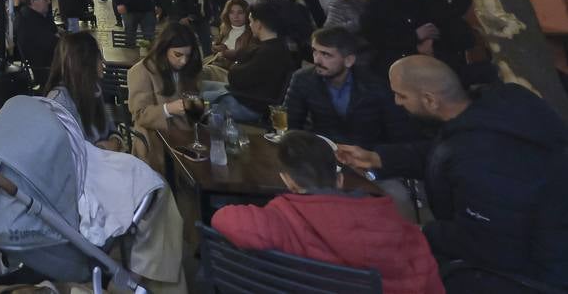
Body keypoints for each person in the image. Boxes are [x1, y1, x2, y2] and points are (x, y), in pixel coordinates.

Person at [336, 57, 568, 290]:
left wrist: (420, 231)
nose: (396, 102)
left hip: (538, 269)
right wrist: (378, 158)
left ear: (429, 100)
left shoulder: (479, 160)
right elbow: (447, 151)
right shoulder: (496, 108)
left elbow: (483, 240)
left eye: (401, 95)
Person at [211, 131, 443, 294]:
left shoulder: (281, 219)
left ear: (288, 181)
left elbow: (224, 218)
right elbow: (428, 278)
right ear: (340, 180)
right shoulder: (397, 225)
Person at [284, 27, 413, 148]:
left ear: (349, 60)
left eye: (326, 55)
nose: (317, 60)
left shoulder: (375, 84)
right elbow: (290, 123)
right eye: (315, 52)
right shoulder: (303, 79)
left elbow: (398, 131)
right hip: (322, 154)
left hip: (365, 156)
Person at [361, 0, 477, 79]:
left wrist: (434, 45)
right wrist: (414, 38)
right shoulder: (383, 0)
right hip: (399, 67)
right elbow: (374, 35)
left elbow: (459, 30)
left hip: (441, 64)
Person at [126, 22, 213, 169]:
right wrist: (168, 109)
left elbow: (197, 107)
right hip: (156, 141)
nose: (183, 61)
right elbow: (139, 114)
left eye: (188, 55)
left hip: (187, 138)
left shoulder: (189, 70)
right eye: (178, 55)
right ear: (164, 49)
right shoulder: (142, 70)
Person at [215, 0, 298, 123]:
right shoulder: (277, 47)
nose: (250, 25)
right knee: (204, 86)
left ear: (258, 24)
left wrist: (236, 65)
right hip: (252, 98)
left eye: (251, 21)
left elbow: (235, 78)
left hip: (250, 106)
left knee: (199, 100)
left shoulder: (267, 53)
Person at [45, 32, 121, 150]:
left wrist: (115, 140)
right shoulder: (60, 103)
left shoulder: (93, 87)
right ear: (85, 63)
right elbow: (66, 153)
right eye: (98, 56)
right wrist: (101, 149)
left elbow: (109, 125)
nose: (102, 62)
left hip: (105, 160)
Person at [15, 0, 58, 81]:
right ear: (33, 0)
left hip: (54, 65)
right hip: (49, 72)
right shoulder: (30, 21)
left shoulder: (37, 15)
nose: (49, 1)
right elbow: (54, 44)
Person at [209, 0, 253, 65]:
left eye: (240, 12)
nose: (235, 16)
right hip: (218, 64)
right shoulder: (225, 29)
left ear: (247, 14)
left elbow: (245, 56)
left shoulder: (251, 33)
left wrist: (224, 52)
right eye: (232, 12)